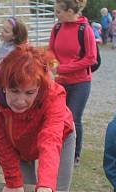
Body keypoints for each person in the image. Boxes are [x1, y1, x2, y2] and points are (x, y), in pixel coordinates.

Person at [0, 45, 75, 192]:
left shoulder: (54, 94)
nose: (21, 101)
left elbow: (50, 140)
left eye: (29, 93)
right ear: (4, 85)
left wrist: (45, 189)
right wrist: (13, 181)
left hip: (60, 138)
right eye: (14, 91)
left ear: (39, 88)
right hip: (17, 143)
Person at [49, 0, 97, 166]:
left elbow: (91, 58)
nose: (57, 15)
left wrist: (62, 68)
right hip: (60, 81)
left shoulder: (85, 30)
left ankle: (75, 154)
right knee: (58, 116)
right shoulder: (57, 28)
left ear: (70, 11)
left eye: (59, 12)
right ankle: (58, 148)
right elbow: (51, 52)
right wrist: (55, 67)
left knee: (74, 118)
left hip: (80, 82)